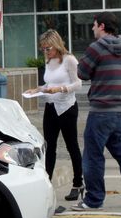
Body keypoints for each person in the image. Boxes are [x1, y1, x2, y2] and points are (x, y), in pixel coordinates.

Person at [72, 12, 121, 211]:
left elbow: (82, 73)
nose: (93, 28)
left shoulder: (96, 48)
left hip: (101, 111)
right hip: (120, 111)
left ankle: (94, 200)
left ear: (102, 26)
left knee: (93, 156)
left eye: (94, 25)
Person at [24, 30, 83, 201]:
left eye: (47, 48)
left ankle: (78, 183)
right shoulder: (49, 61)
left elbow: (78, 83)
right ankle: (47, 184)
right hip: (50, 106)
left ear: (56, 44)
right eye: (42, 49)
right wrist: (37, 89)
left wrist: (61, 89)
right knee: (49, 147)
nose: (45, 52)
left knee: (72, 146)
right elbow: (49, 83)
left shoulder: (69, 60)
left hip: (67, 107)